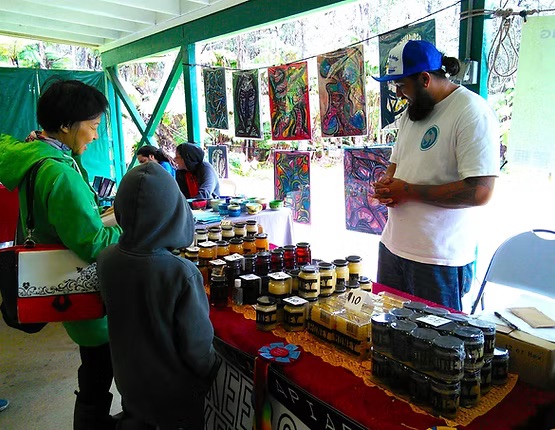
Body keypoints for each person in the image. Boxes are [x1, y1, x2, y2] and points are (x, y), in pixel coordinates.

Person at [0, 79, 122, 429]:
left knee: (94, 368)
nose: (96, 135)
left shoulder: (37, 157)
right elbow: (93, 243)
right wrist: (130, 227)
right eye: (94, 126)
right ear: (68, 125)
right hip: (81, 285)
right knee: (99, 371)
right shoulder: (60, 173)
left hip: (61, 282)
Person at [371, 40, 499, 311]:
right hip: (393, 245)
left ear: (425, 79)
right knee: (387, 336)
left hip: (437, 258)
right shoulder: (413, 113)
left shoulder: (471, 112)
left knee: (434, 345)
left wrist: (406, 191)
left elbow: (480, 191)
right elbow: (397, 164)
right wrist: (387, 184)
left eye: (402, 85)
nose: (399, 93)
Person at [97, 162, 220, 430]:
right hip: (176, 395)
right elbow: (197, 348)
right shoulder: (181, 273)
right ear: (173, 211)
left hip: (130, 383)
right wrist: (214, 372)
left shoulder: (106, 259)